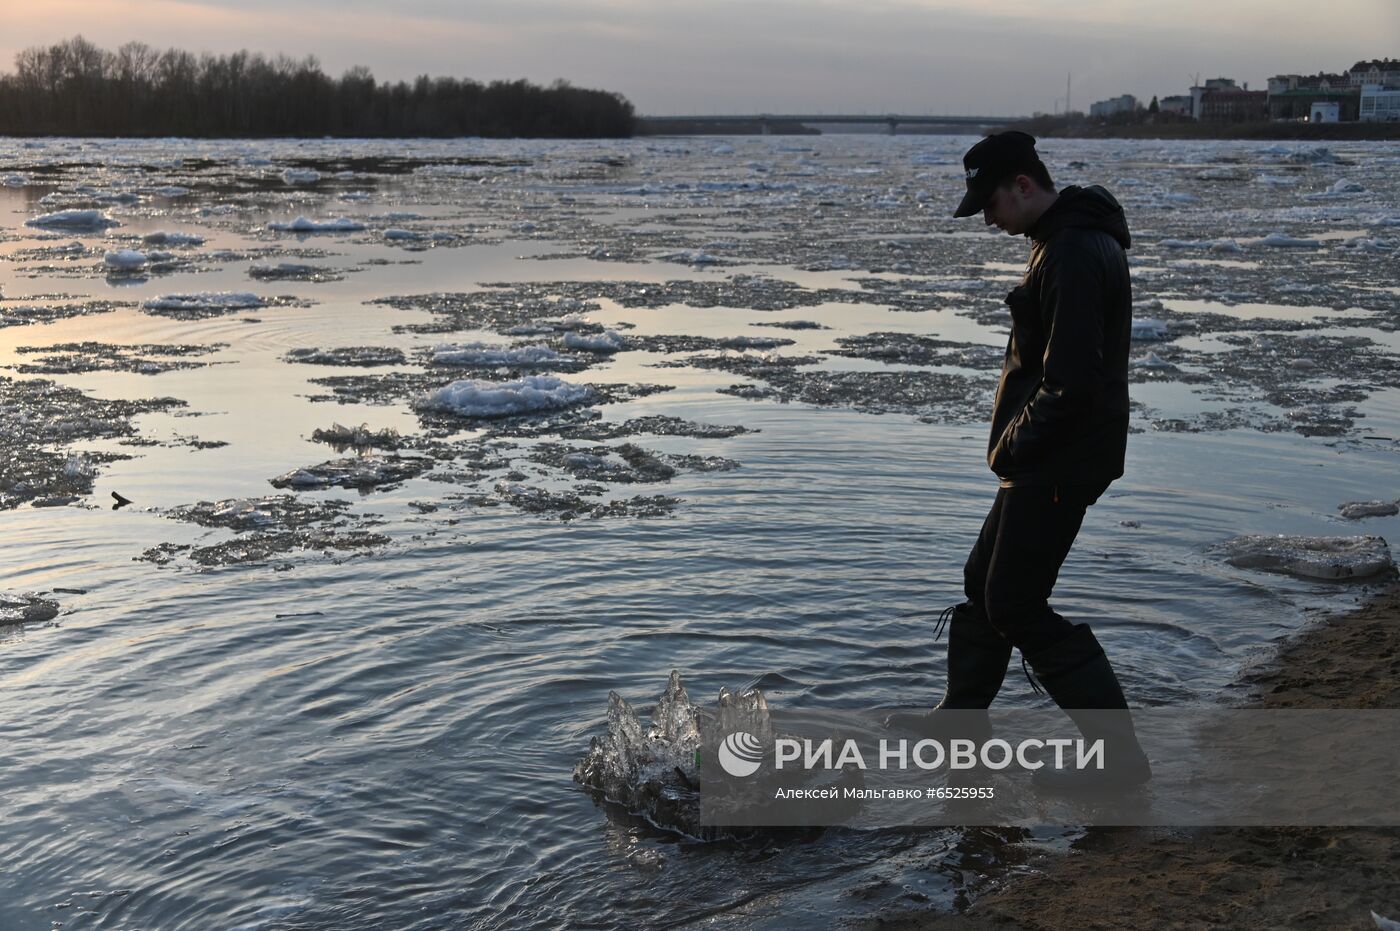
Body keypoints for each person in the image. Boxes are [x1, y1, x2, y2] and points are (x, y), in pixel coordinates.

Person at [885, 131, 1150, 790]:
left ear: (1023, 186)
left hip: (1060, 458)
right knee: (984, 580)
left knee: (1015, 602)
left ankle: (1118, 759)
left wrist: (1014, 442)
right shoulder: (1062, 242)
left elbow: (1071, 383)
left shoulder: (1073, 251)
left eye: (991, 202)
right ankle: (961, 721)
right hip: (1048, 455)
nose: (987, 219)